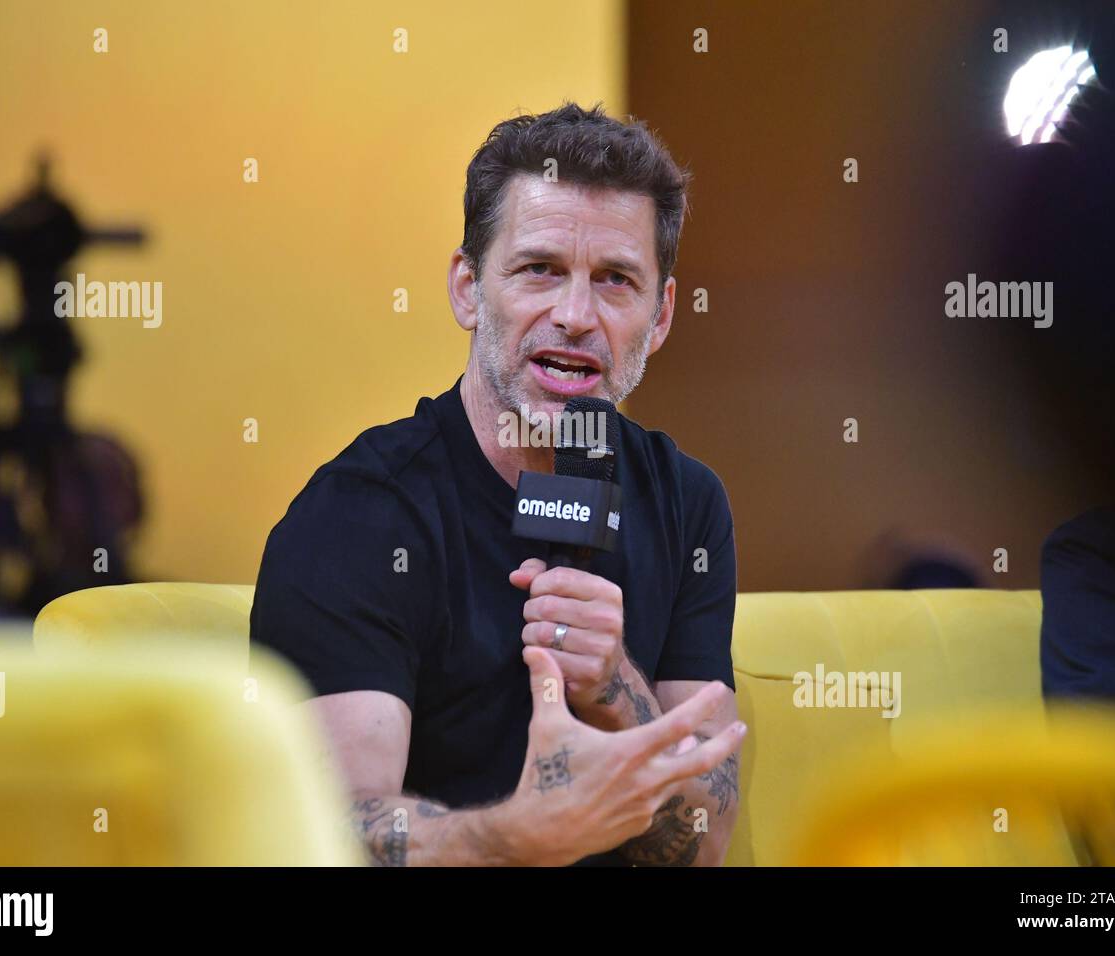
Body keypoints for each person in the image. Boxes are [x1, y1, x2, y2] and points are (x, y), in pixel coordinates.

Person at [250, 102, 746, 866]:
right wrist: (511, 839)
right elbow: (329, 836)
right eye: (540, 269)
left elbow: (702, 847)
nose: (575, 316)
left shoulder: (688, 501)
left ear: (661, 316)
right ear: (467, 289)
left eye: (616, 280)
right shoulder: (360, 514)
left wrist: (614, 687)